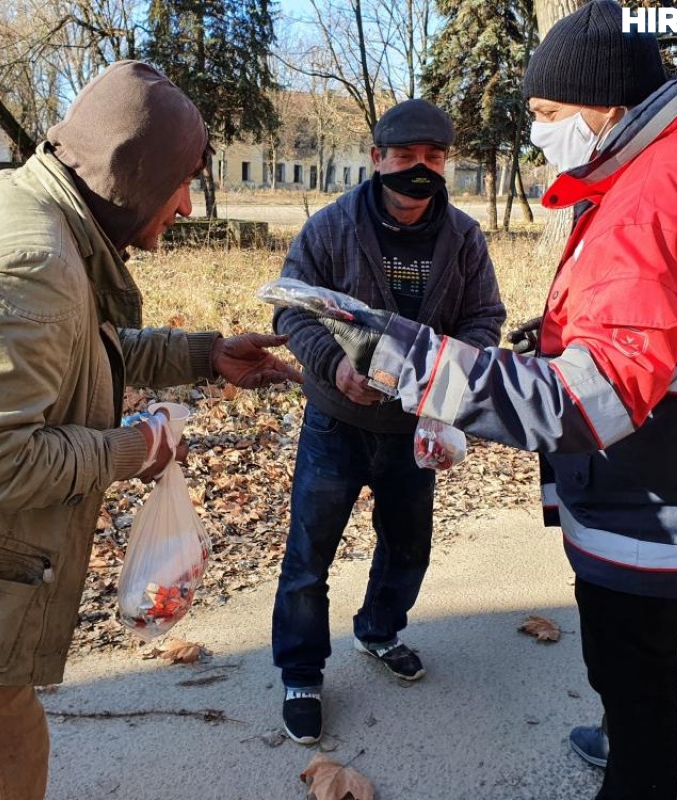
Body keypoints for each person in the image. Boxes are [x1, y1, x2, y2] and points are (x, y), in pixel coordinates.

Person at [317, 2, 677, 797]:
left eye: (546, 114)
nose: (538, 133)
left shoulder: (656, 195)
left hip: (659, 507)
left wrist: (422, 369)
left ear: (604, 103)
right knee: (645, 665)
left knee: (635, 674)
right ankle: (622, 738)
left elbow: (594, 397)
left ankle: (634, 768)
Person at [0, 61, 301, 800]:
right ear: (136, 177)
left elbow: (79, 346)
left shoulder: (28, 208)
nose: (189, 205)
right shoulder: (32, 263)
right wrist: (138, 447)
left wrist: (202, 355)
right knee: (2, 777)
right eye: (182, 180)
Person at [271, 98, 506, 745]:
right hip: (336, 423)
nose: (420, 171)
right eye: (406, 158)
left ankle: (378, 630)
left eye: (434, 159)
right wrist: (331, 367)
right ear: (377, 160)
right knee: (309, 555)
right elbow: (290, 311)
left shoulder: (462, 237)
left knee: (408, 546)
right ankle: (300, 672)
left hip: (413, 431)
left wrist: (447, 379)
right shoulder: (332, 228)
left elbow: (485, 316)